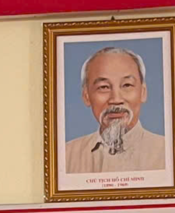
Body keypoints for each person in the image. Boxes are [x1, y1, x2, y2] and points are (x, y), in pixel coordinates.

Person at [62, 46, 167, 174]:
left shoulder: (168, 152)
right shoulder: (65, 156)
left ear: (143, 92)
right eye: (104, 87)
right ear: (86, 96)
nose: (116, 99)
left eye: (127, 85)